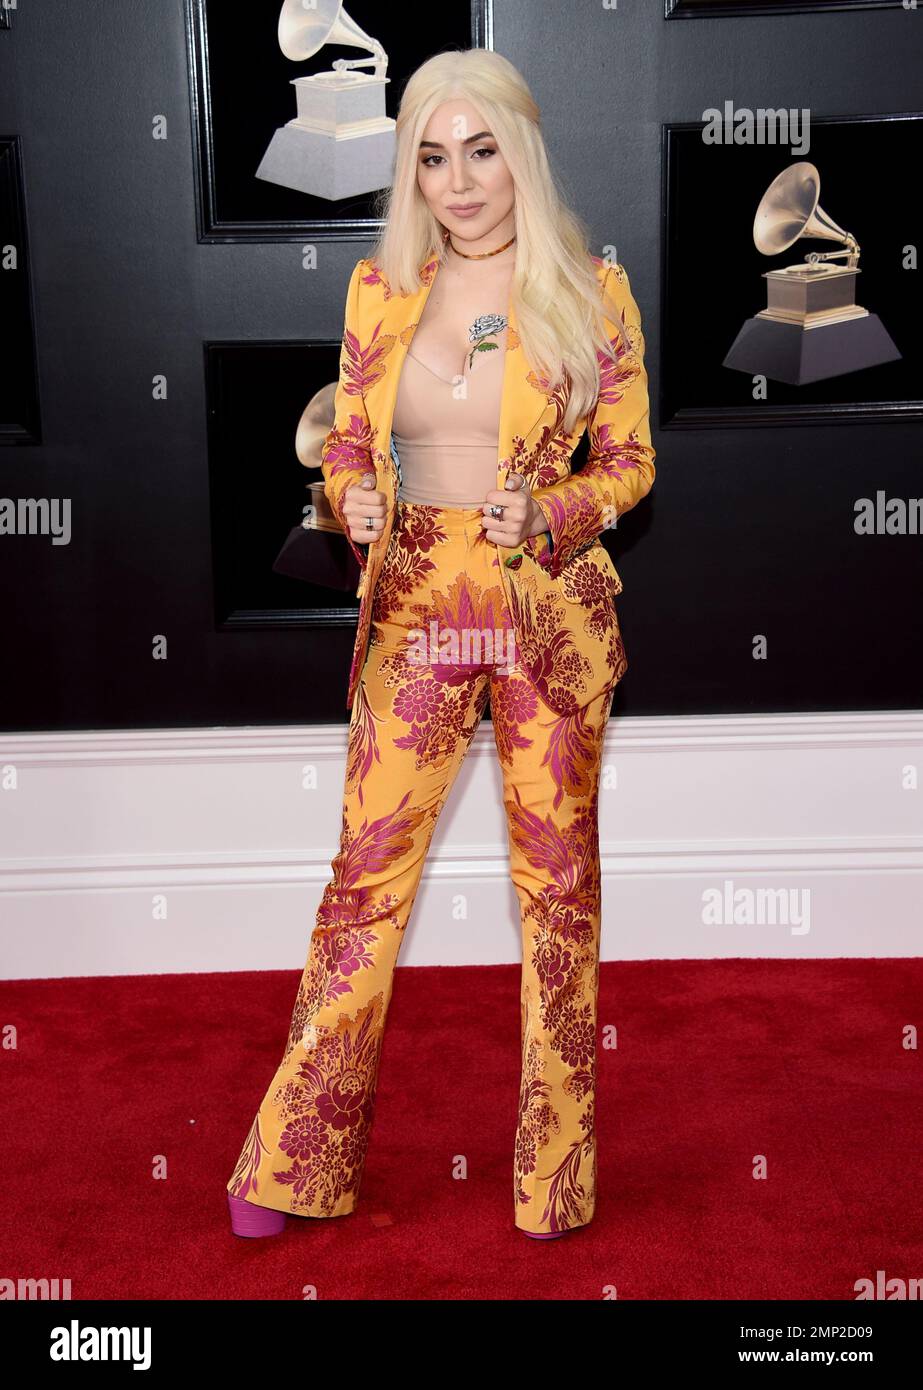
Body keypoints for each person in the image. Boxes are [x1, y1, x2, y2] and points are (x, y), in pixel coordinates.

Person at [227, 46, 655, 1241]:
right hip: (417, 603)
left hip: (546, 609)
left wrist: (557, 509)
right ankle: (291, 1164)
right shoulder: (379, 288)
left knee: (557, 890)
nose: (457, 182)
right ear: (409, 169)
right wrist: (343, 501)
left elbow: (631, 463)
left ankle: (554, 1175)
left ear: (516, 152)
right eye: (430, 156)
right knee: (363, 882)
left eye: (478, 152)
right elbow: (351, 447)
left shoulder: (592, 290)